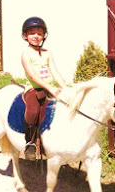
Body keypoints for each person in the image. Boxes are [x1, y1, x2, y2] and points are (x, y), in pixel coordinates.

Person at [21, 17, 66, 160]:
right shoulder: (26, 54)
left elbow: (55, 72)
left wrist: (64, 87)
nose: (36, 36)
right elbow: (33, 75)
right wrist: (50, 88)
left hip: (49, 89)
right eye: (32, 33)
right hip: (33, 89)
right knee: (33, 111)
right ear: (25, 35)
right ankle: (30, 142)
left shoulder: (48, 53)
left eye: (39, 33)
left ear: (44, 35)